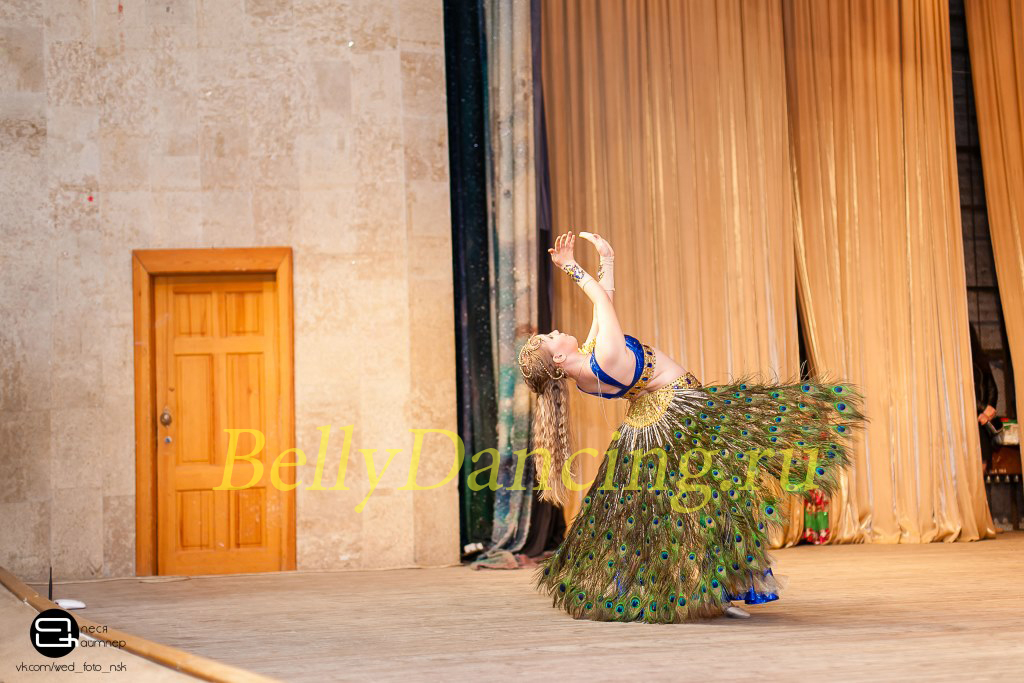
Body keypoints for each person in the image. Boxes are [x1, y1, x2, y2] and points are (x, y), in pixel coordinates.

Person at [517, 231, 869, 623]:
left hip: (643, 427)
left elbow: (604, 310)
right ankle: (720, 588)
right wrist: (571, 267)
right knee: (711, 501)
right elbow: (600, 303)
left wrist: (607, 261)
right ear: (558, 360)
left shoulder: (586, 369)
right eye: (550, 339)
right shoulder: (604, 356)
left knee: (680, 507)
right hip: (681, 415)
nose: (555, 332)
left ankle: (710, 587)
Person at [969, 324, 999, 471]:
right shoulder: (952, 363)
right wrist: (982, 408)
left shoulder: (979, 360)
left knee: (982, 463)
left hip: (981, 422)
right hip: (966, 418)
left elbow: (992, 387)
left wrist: (987, 411)